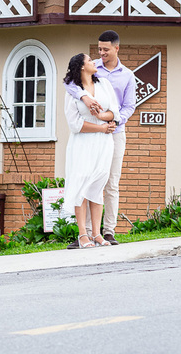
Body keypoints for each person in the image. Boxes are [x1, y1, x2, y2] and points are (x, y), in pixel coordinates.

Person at [64, 30, 136, 245]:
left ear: (117, 48)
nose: (101, 53)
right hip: (90, 134)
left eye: (105, 49)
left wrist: (112, 121)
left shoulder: (127, 75)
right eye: (99, 49)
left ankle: (108, 231)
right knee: (86, 180)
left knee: (110, 182)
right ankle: (84, 233)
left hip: (115, 133)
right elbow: (70, 84)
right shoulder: (91, 67)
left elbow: (128, 106)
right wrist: (84, 97)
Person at [61, 53, 117, 248]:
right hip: (82, 143)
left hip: (103, 143)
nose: (95, 62)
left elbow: (114, 112)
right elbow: (74, 124)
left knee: (97, 185)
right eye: (90, 60)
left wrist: (101, 116)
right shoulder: (73, 92)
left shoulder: (104, 85)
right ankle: (82, 235)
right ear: (82, 67)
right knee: (81, 185)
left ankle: (97, 233)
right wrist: (101, 127)